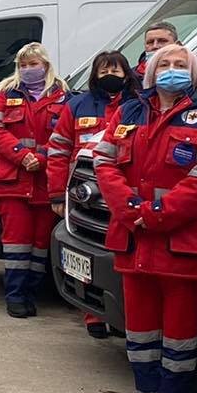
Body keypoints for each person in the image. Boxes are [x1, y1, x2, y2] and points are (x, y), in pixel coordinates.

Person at [92, 44, 197, 393]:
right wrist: (126, 208)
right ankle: (146, 386)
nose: (172, 69)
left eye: (180, 65)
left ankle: (173, 392)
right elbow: (104, 161)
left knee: (179, 324)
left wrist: (157, 213)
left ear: (195, 73)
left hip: (180, 239)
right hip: (134, 236)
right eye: (165, 64)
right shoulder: (128, 112)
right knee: (139, 321)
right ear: (151, 73)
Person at [48, 50, 138, 338]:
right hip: (85, 195)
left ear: (127, 73)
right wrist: (55, 195)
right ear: (95, 74)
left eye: (116, 70)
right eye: (103, 70)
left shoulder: (137, 106)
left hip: (123, 195)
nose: (110, 75)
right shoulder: (78, 105)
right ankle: (93, 315)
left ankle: (123, 314)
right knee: (85, 253)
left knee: (120, 254)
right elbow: (59, 150)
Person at [0, 42, 67, 317]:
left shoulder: (62, 96)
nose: (28, 69)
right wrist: (22, 155)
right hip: (13, 181)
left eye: (33, 64)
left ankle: (31, 292)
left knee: (39, 245)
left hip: (45, 181)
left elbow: (65, 136)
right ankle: (16, 296)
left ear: (45, 65)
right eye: (23, 65)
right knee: (16, 243)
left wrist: (42, 157)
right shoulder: (6, 92)